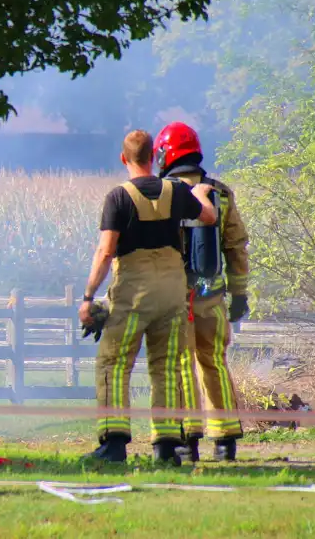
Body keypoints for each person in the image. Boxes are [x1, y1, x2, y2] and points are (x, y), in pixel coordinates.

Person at [78, 129, 217, 465]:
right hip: (171, 293)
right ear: (154, 156)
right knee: (166, 367)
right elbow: (209, 217)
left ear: (124, 159)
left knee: (113, 363)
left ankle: (113, 445)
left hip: (133, 295)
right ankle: (167, 447)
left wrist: (87, 296)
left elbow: (106, 250)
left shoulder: (118, 197)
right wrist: (197, 194)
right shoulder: (176, 190)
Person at [155, 122, 250, 462]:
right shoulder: (220, 193)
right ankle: (225, 442)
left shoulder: (162, 194)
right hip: (213, 299)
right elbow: (236, 246)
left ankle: (187, 440)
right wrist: (240, 295)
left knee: (180, 366)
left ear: (165, 154)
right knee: (214, 364)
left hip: (176, 300)